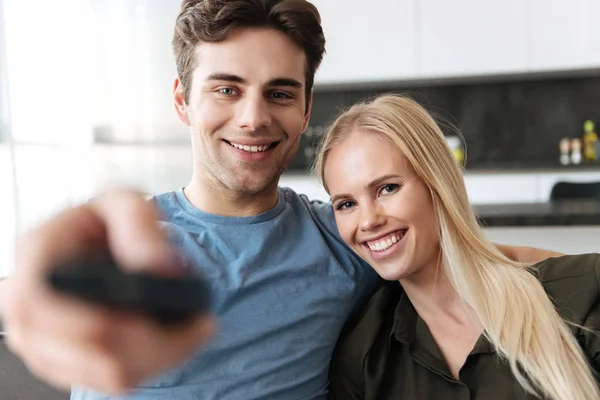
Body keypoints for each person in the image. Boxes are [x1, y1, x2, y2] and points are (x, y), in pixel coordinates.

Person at [0, 1, 560, 399]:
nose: (253, 117)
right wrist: (40, 286)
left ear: (306, 108)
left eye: (279, 93)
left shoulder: (343, 240)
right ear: (182, 101)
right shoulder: (128, 244)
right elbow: (44, 286)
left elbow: (473, 259)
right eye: (226, 88)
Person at [314, 94, 600, 400]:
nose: (368, 220)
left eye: (387, 188)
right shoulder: (362, 359)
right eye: (346, 204)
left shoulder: (581, 293)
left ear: (438, 183)